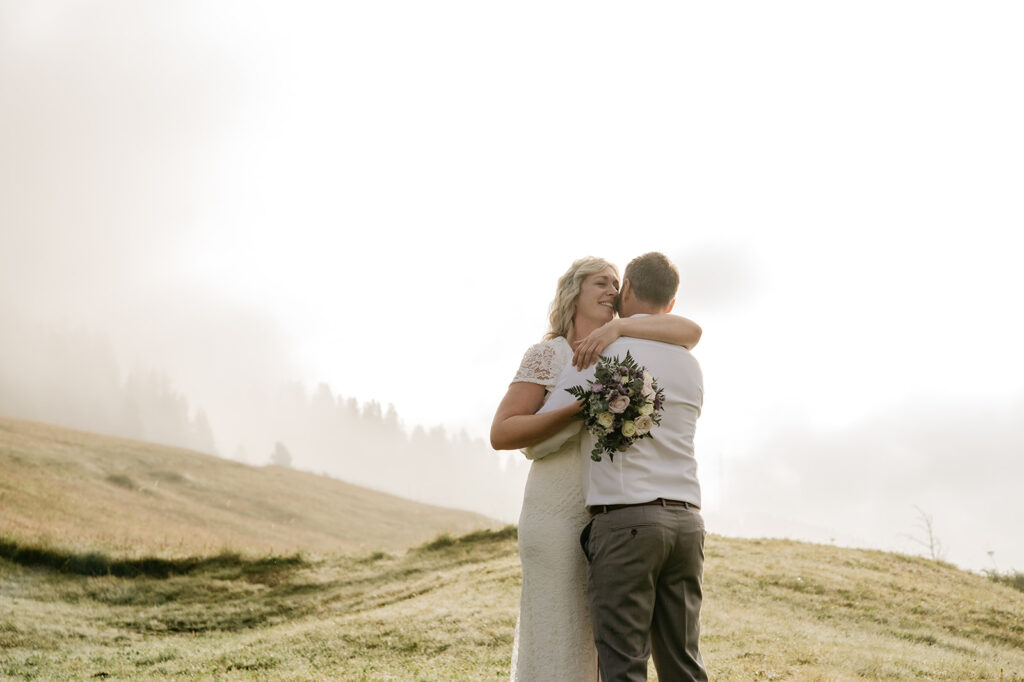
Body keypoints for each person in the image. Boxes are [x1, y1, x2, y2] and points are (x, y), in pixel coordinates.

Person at [490, 256, 701, 682]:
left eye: (615, 283)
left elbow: (691, 330)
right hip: (557, 510)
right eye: (600, 283)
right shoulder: (553, 355)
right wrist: (577, 412)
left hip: (610, 517)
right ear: (574, 293)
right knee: (565, 632)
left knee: (609, 646)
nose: (610, 290)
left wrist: (618, 328)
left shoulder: (617, 347)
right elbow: (506, 433)